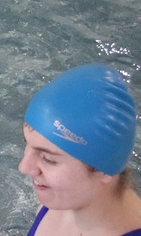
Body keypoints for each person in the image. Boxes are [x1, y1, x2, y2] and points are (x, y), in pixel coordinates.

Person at [19, 64, 141, 236]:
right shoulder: (60, 199)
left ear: (102, 169)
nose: (24, 167)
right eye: (27, 142)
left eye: (48, 158)